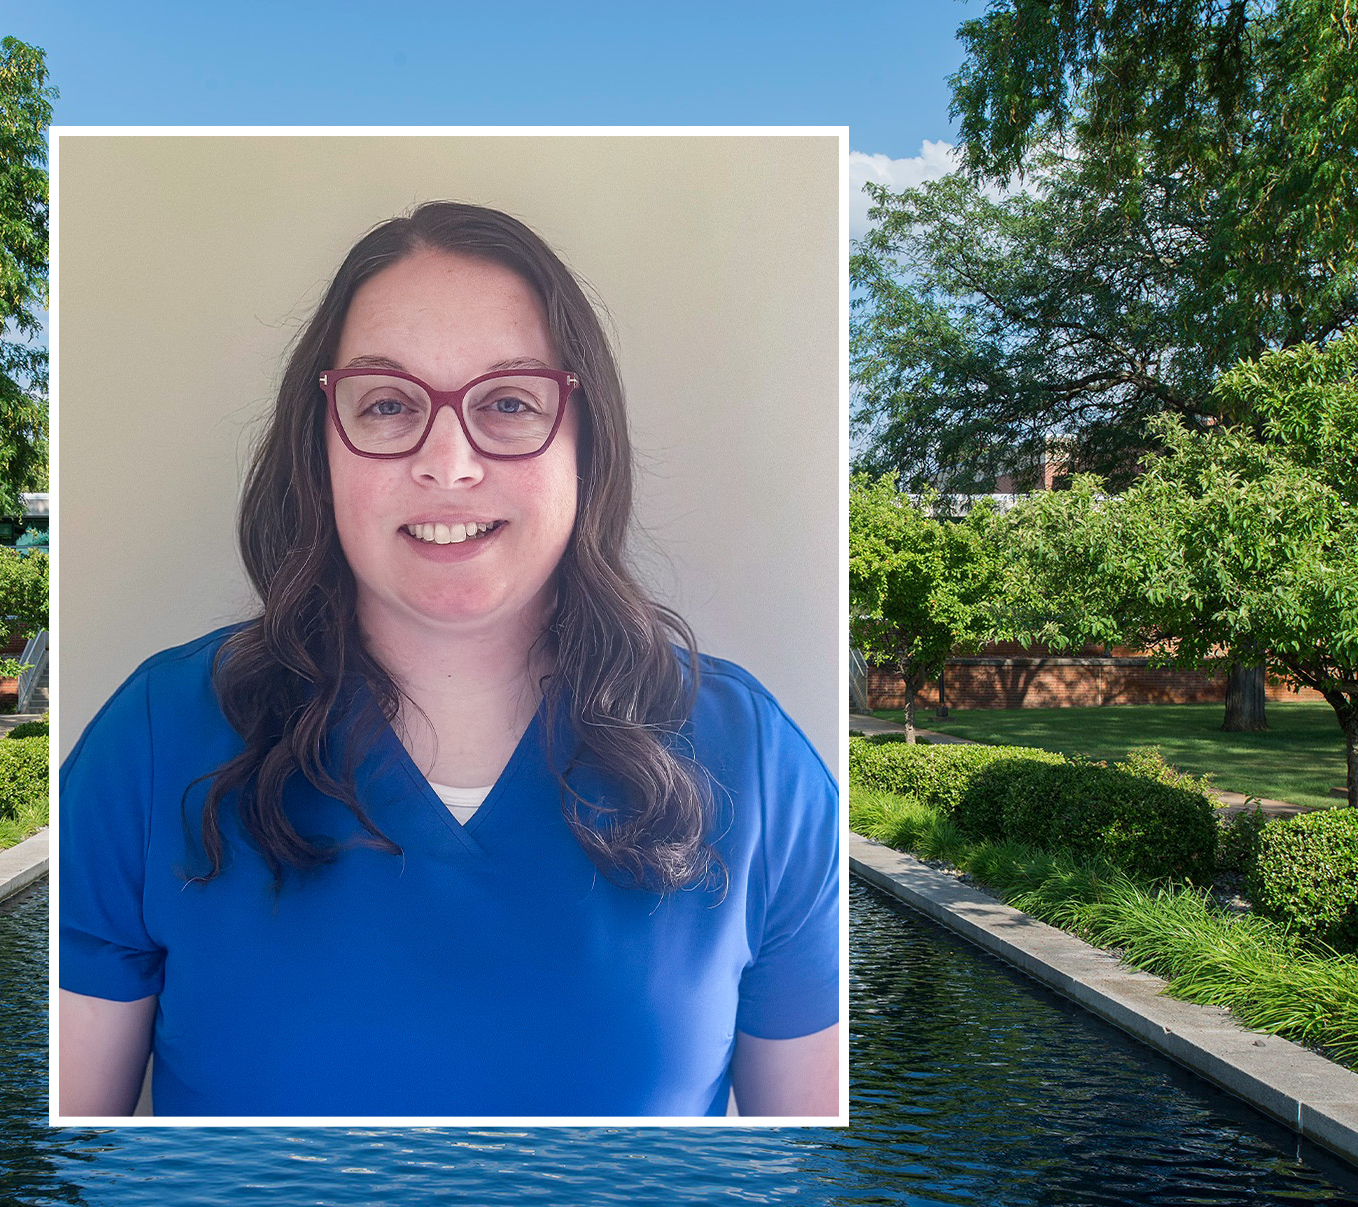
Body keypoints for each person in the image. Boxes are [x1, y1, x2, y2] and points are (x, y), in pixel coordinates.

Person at [57, 201, 840, 1117]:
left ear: (586, 437)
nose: (449, 462)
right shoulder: (153, 746)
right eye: (387, 405)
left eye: (509, 403)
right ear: (321, 440)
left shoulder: (757, 769)